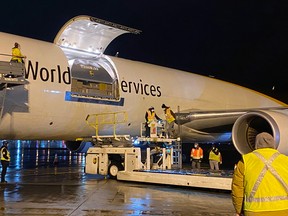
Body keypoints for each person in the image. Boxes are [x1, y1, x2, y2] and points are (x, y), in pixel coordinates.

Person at [232, 132, 288, 216]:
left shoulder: (245, 161)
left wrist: (238, 210)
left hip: (254, 210)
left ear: (256, 143)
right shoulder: (285, 160)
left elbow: (237, 188)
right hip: (283, 209)